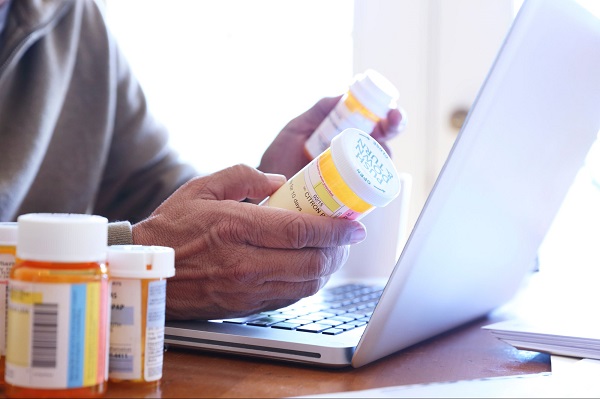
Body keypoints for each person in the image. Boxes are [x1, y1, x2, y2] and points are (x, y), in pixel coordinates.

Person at [0, 0, 405, 320]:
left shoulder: (73, 16)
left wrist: (265, 199)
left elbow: (151, 189)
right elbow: (158, 242)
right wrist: (138, 263)